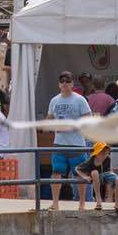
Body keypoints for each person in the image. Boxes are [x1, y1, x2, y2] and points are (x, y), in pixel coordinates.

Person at [44, 72, 92, 209]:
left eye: (67, 81)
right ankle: (55, 203)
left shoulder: (80, 100)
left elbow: (88, 119)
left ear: (72, 84)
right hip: (59, 143)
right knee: (56, 173)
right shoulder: (54, 100)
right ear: (59, 84)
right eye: (62, 81)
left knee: (80, 174)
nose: (64, 83)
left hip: (77, 144)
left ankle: (82, 203)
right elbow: (49, 119)